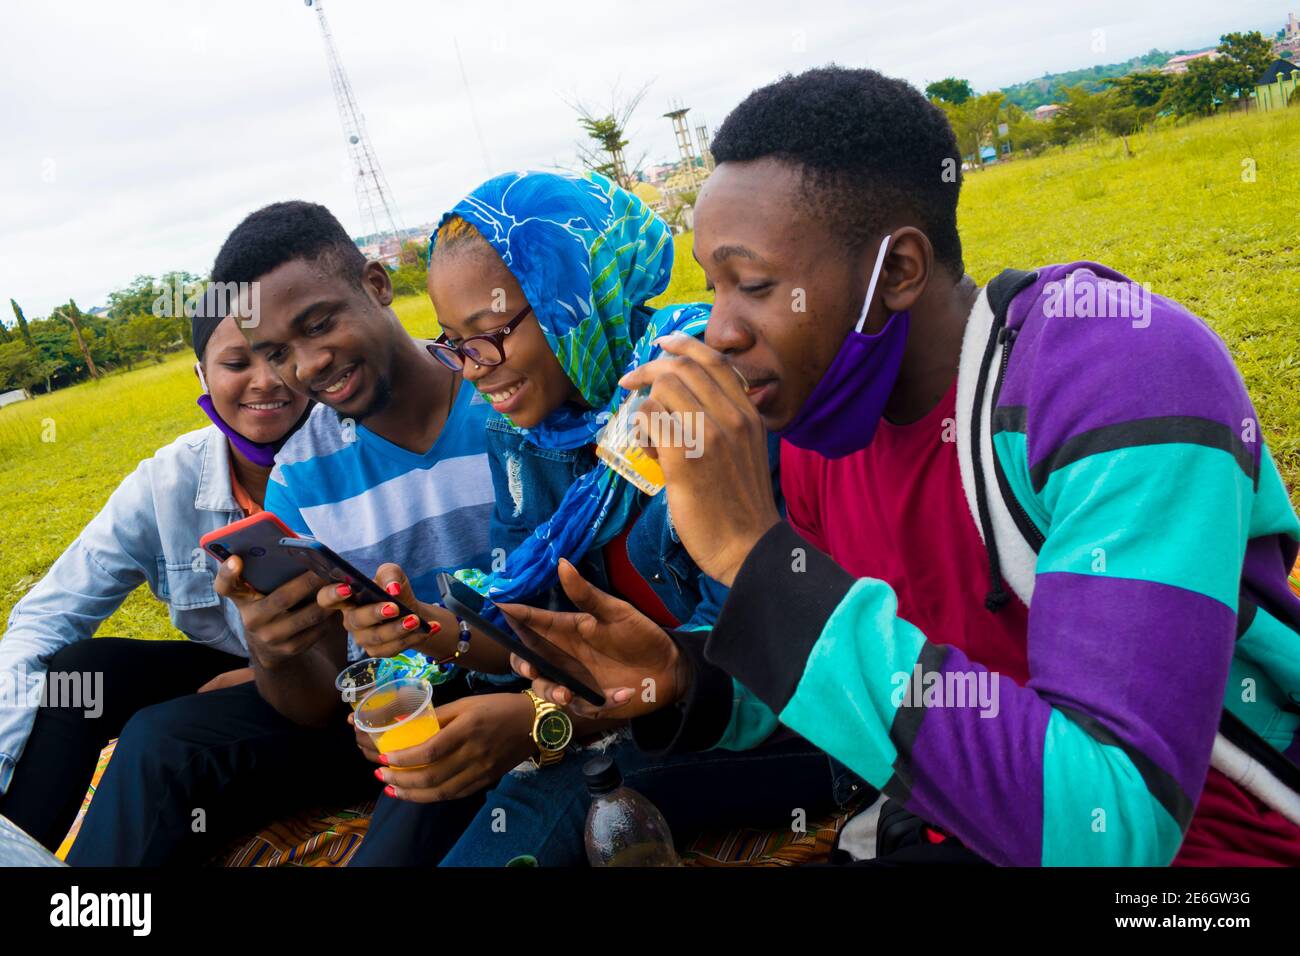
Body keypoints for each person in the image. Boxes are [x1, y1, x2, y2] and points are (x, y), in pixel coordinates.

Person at [511, 66, 1300, 866]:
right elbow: (845, 678)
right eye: (714, 288)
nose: (718, 331)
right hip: (957, 826)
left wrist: (753, 555)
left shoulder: (1119, 375)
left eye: (753, 286)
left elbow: (1113, 826)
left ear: (896, 271)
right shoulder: (828, 436)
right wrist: (684, 673)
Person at [325, 170, 845, 866]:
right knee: (419, 789)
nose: (473, 367)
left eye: (491, 334)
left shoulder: (705, 400)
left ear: (573, 299)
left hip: (776, 724)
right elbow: (528, 628)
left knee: (553, 792)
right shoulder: (528, 434)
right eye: (453, 341)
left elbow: (765, 654)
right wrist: (422, 626)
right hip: (619, 708)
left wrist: (547, 725)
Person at [65, 201, 497, 865]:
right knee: (162, 742)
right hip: (383, 725)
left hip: (501, 702)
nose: (306, 365)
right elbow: (310, 703)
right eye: (272, 352)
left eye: (318, 324)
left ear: (377, 286)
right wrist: (272, 647)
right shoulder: (301, 473)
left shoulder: (504, 394)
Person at [0, 291, 309, 852]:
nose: (265, 381)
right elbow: (49, 614)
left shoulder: (358, 454)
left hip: (343, 684)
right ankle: (17, 850)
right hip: (235, 670)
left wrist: (266, 676)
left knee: (158, 736)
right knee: (81, 672)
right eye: (237, 363)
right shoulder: (168, 480)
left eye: (281, 355)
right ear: (202, 373)